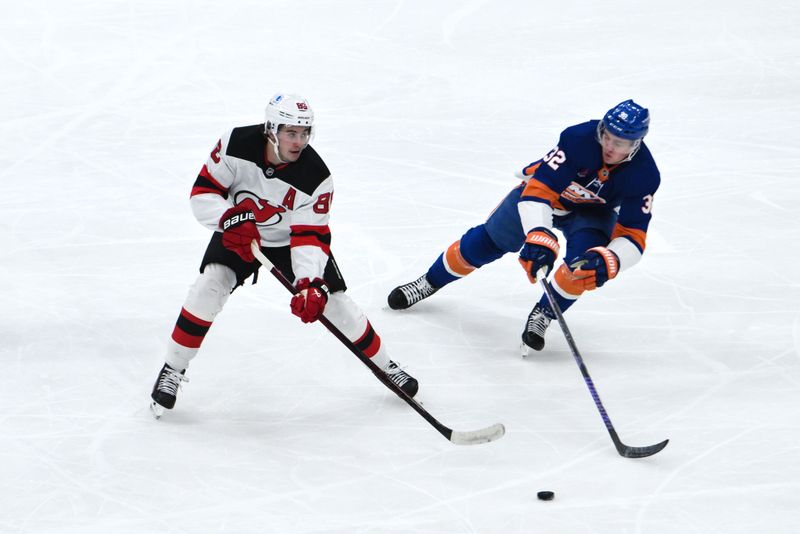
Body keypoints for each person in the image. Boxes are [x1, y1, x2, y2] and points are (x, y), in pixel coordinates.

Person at [150, 93, 418, 417]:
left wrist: (309, 283)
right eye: (291, 132)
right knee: (209, 285)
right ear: (271, 130)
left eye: (305, 133)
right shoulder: (235, 143)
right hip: (239, 232)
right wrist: (228, 219)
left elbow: (310, 235)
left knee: (336, 304)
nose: (299, 141)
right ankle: (173, 369)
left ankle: (385, 366)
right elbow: (203, 193)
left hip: (290, 242)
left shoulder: (317, 177)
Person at [387, 99, 660, 353]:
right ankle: (429, 281)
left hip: (592, 215)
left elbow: (634, 235)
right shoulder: (578, 139)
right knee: (487, 242)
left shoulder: (645, 174)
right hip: (549, 199)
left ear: (636, 144)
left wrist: (610, 259)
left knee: (583, 270)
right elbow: (540, 190)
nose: (610, 147)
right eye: (607, 137)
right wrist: (538, 233)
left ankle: (545, 313)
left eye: (620, 143)